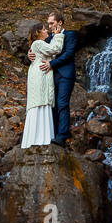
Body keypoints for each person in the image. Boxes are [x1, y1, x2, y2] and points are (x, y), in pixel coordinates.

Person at [30, 10, 77, 147]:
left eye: (52, 23)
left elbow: (68, 54)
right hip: (50, 77)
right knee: (53, 105)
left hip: (65, 75)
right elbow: (41, 48)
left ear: (60, 22)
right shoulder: (50, 37)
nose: (49, 26)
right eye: (48, 24)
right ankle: (53, 134)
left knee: (62, 103)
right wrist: (30, 54)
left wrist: (52, 64)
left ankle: (62, 136)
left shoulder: (70, 35)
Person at [21, 23, 63, 148]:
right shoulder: (38, 43)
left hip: (39, 73)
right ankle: (41, 138)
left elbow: (51, 54)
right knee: (41, 103)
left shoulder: (38, 45)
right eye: (44, 29)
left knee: (40, 103)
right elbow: (55, 49)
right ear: (38, 33)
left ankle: (36, 138)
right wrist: (58, 35)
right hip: (40, 75)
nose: (47, 31)